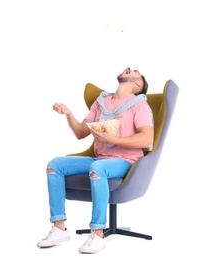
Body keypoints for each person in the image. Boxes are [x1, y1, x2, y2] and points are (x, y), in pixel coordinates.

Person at [37, 67, 154, 253]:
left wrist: (112, 140)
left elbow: (146, 139)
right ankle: (59, 228)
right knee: (55, 165)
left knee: (97, 167)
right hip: (99, 158)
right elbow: (80, 133)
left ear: (137, 84)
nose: (129, 68)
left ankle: (98, 234)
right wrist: (68, 114)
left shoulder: (139, 105)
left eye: (135, 71)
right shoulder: (102, 102)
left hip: (126, 161)